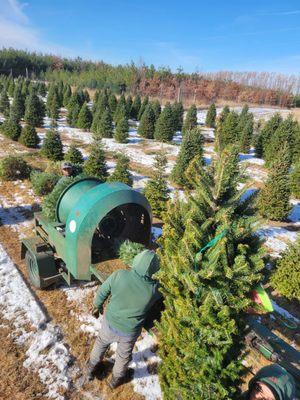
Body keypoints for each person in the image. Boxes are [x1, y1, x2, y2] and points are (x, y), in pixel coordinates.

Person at [84, 249, 161, 389]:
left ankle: (90, 369)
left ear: (136, 261)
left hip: (110, 322)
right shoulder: (153, 290)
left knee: (100, 344)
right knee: (122, 357)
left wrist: (97, 306)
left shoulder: (119, 275)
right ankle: (116, 379)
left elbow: (103, 291)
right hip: (129, 332)